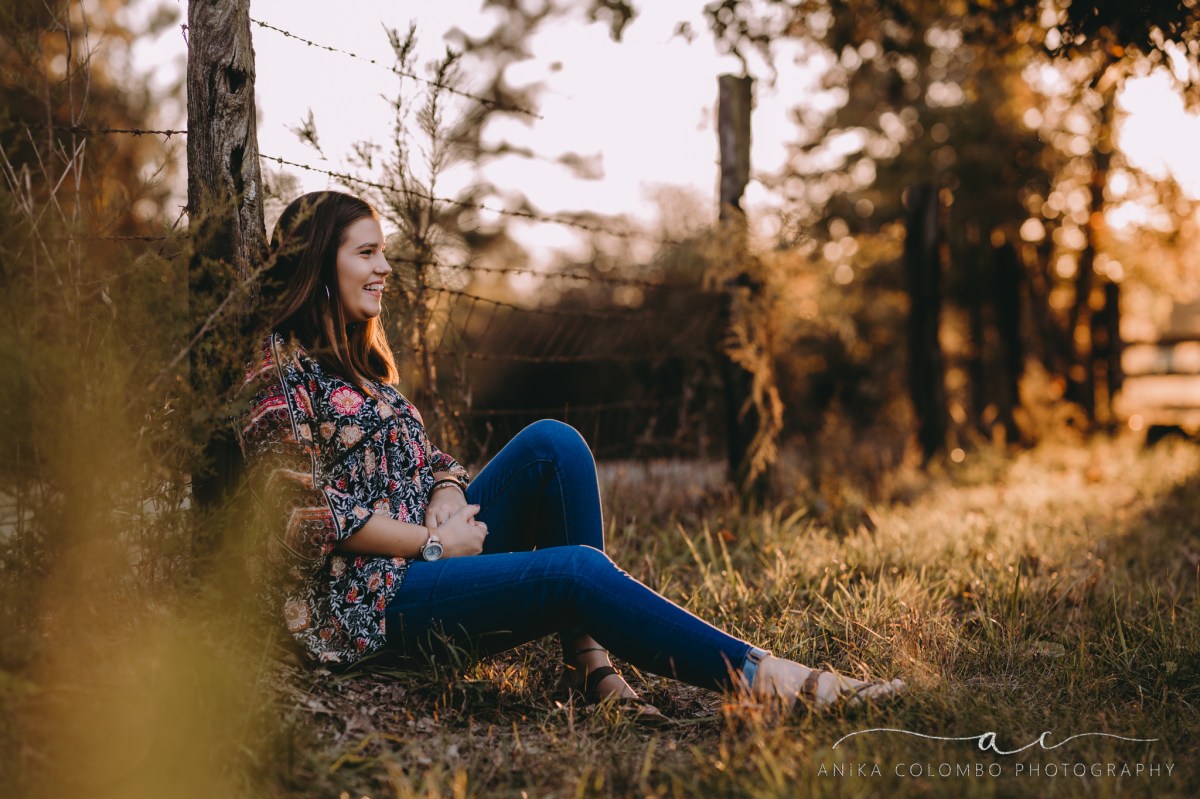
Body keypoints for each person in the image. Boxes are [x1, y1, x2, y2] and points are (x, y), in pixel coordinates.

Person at [234, 190, 903, 723]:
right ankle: (774, 678)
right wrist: (434, 546)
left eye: (385, 252)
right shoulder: (276, 371)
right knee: (576, 570)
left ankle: (589, 662)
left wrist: (443, 491)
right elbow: (298, 517)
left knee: (554, 442)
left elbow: (432, 457)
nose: (385, 267)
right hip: (370, 610)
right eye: (367, 253)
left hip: (433, 554)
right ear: (321, 264)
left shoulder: (365, 372)